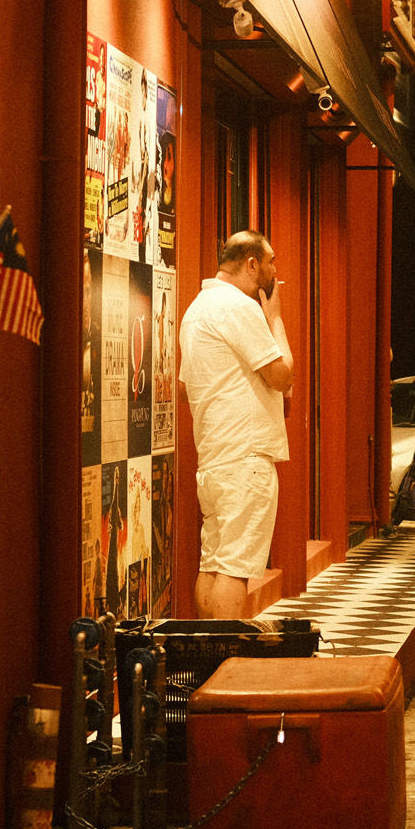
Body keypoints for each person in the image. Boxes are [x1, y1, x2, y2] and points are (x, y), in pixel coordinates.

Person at [178, 231, 294, 618]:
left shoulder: (196, 309)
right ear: (251, 265)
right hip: (245, 459)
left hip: (213, 458)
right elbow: (283, 375)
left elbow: (184, 389)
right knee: (235, 569)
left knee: (212, 564)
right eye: (271, 261)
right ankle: (226, 664)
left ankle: (207, 662)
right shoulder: (239, 307)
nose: (276, 272)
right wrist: (274, 319)